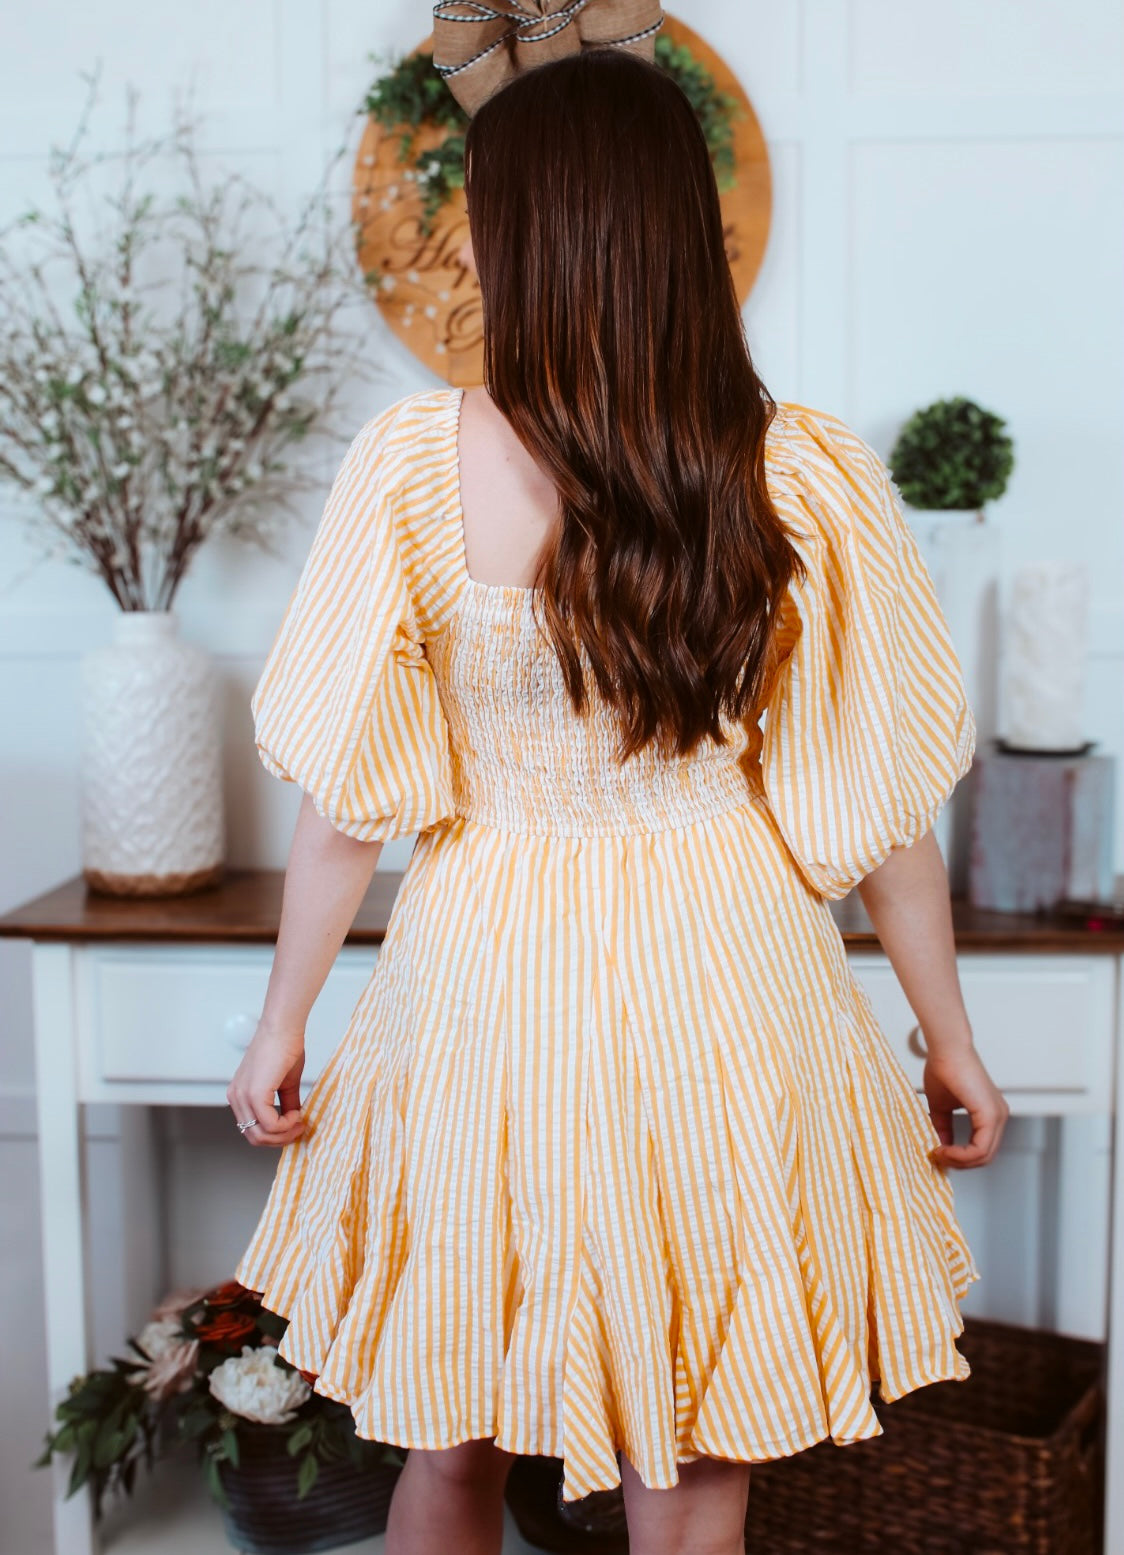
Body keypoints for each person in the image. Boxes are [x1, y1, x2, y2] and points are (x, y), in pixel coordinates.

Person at [227, 18, 1009, 1555]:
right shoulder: (802, 470)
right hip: (735, 982)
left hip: (483, 978)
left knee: (450, 1436)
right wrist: (950, 1038)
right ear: (677, 231)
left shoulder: (410, 464)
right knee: (696, 1462)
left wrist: (281, 1021)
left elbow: (347, 803)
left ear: (525, 235)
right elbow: (878, 806)